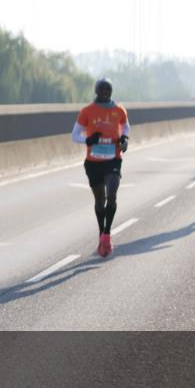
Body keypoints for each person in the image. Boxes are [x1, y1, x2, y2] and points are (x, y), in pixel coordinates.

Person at [72, 78, 130, 257]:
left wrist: (124, 139)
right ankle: (101, 231)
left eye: (108, 89)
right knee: (100, 200)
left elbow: (126, 127)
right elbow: (75, 135)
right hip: (93, 162)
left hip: (113, 159)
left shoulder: (119, 110)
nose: (105, 92)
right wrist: (88, 140)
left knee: (111, 195)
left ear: (111, 91)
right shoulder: (87, 111)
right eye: (102, 89)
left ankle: (107, 234)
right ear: (96, 91)